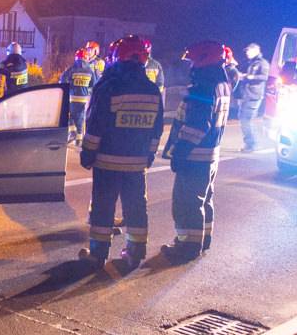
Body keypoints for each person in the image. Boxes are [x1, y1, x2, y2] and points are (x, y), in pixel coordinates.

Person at [79, 35, 164, 269]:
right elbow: (157, 130)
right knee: (136, 207)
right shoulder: (152, 90)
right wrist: (148, 156)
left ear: (116, 58)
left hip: (107, 162)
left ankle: (98, 254)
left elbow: (95, 125)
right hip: (136, 164)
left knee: (103, 208)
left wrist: (87, 153)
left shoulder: (108, 87)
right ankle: (135, 252)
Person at [161, 41, 230, 263]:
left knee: (187, 203)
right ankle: (203, 238)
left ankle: (187, 247)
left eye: (193, 61)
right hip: (210, 155)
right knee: (204, 200)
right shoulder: (221, 83)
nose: (190, 65)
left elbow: (198, 124)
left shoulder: (203, 87)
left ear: (203, 59)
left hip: (195, 156)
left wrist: (180, 151)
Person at [236, 42, 269, 152]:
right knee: (243, 119)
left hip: (254, 96)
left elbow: (264, 77)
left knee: (246, 120)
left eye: (249, 51)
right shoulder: (251, 63)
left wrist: (250, 77)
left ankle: (252, 144)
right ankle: (250, 143)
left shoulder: (262, 63)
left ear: (255, 51)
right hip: (247, 95)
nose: (247, 53)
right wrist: (243, 77)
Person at [60, 48, 96, 146]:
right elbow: (93, 84)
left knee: (70, 116)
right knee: (80, 118)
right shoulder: (89, 70)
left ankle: (72, 133)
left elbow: (63, 79)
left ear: (77, 57)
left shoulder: (72, 68)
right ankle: (79, 139)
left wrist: (69, 86)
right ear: (86, 58)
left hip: (72, 97)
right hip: (83, 99)